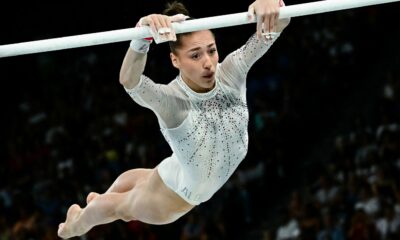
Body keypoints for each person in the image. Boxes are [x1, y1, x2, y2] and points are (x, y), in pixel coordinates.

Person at [57, 0, 290, 238]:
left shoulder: (231, 70)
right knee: (122, 208)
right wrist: (141, 37)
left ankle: (100, 199)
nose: (208, 63)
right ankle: (75, 226)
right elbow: (130, 81)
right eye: (195, 55)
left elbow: (280, 22)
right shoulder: (172, 102)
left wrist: (272, 5)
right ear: (175, 60)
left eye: (211, 50)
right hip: (174, 197)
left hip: (180, 167)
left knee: (140, 183)